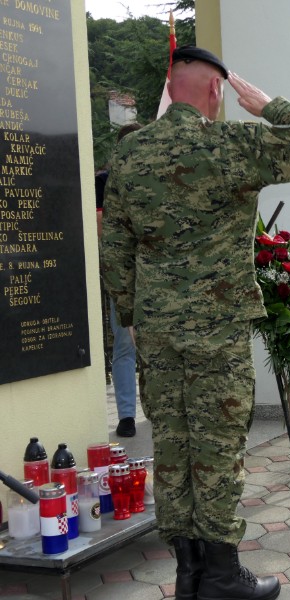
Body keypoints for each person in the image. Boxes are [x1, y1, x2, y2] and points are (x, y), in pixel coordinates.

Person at [101, 45, 290, 600]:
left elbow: (115, 246)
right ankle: (224, 578)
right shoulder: (231, 142)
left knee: (174, 446)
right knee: (218, 448)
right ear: (216, 91)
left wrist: (132, 314)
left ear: (171, 86)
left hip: (157, 329)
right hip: (217, 325)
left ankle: (188, 574)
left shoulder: (130, 153)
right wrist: (268, 105)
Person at [96, 123, 143, 438]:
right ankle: (127, 415)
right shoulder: (103, 181)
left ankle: (161, 409)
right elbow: (100, 224)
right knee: (124, 343)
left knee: (160, 343)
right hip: (123, 274)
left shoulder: (155, 180)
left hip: (159, 274)